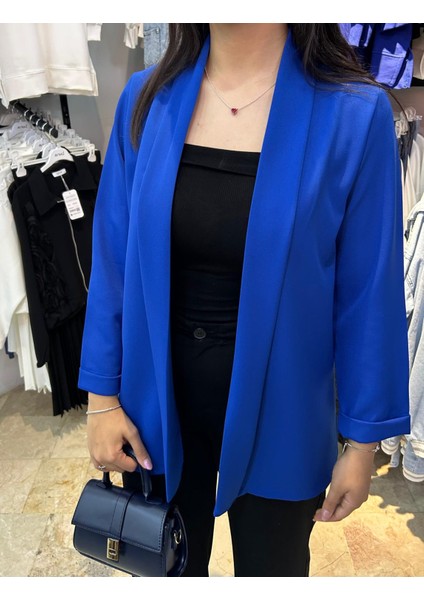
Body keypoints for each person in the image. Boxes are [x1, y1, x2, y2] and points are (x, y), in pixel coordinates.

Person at [78, 24, 411, 577]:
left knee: (273, 569)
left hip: (284, 411)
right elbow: (114, 258)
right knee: (165, 570)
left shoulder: (353, 114)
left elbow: (367, 293)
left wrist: (361, 443)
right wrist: (101, 399)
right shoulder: (147, 98)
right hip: (156, 411)